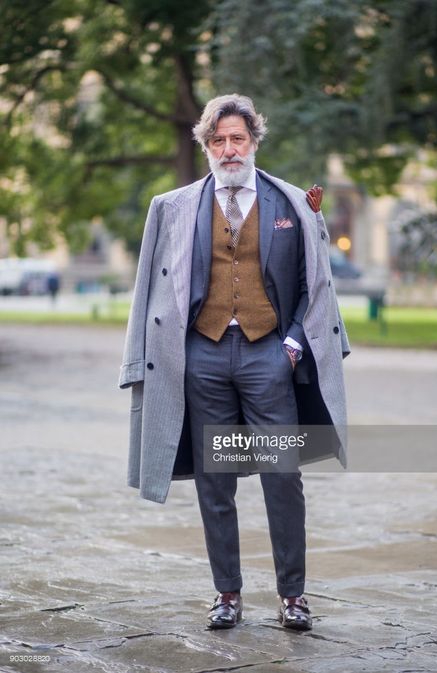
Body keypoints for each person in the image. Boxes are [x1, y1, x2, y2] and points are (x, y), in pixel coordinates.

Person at [119, 94, 350, 631]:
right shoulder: (171, 207)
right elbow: (146, 290)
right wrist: (137, 362)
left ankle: (293, 596)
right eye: (217, 140)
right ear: (206, 146)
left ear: (253, 142)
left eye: (237, 139)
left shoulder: (293, 203)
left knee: (282, 475)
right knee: (214, 480)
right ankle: (227, 593)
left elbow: (315, 286)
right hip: (199, 357)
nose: (228, 149)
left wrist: (292, 345)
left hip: (270, 354)